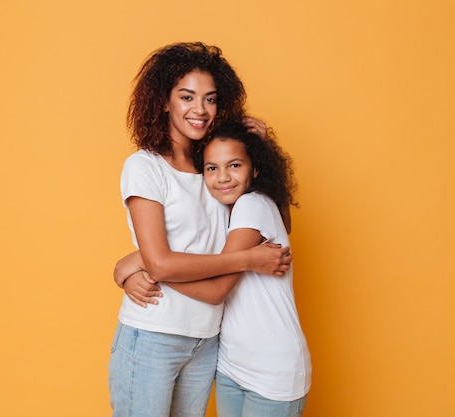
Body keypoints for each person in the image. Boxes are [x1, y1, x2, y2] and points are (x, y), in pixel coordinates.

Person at [108, 42, 292, 417]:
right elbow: (161, 262)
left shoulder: (216, 167)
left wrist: (263, 151)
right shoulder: (145, 167)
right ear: (164, 101)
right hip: (154, 334)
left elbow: (273, 225)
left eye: (209, 99)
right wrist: (248, 259)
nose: (200, 109)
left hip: (207, 339)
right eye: (187, 96)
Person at [119, 121, 312, 417]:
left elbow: (216, 291)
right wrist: (147, 262)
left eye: (234, 165)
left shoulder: (251, 205)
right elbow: (282, 224)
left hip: (272, 371)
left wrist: (149, 264)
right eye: (211, 168)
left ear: (255, 168)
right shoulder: (228, 208)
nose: (223, 177)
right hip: (232, 365)